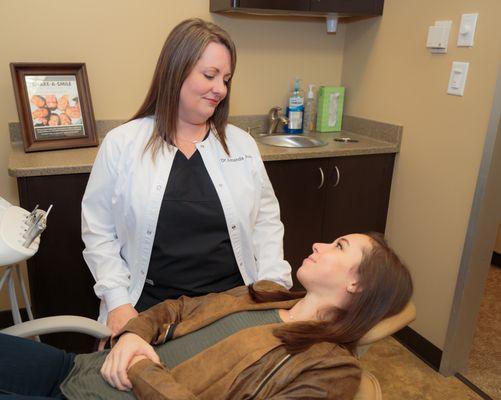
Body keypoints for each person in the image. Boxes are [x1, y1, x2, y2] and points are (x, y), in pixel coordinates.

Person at [0, 232, 413, 399]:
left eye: (339, 246)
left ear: (358, 284)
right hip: (76, 369)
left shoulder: (331, 369)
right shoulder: (266, 295)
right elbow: (178, 308)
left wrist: (140, 366)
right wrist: (132, 335)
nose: (321, 244)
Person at [81, 18, 292, 337]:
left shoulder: (241, 145)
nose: (220, 89)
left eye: (226, 79)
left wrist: (273, 287)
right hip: (148, 308)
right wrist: (117, 302)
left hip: (231, 307)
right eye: (209, 75)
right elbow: (98, 229)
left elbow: (266, 222)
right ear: (175, 71)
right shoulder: (122, 144)